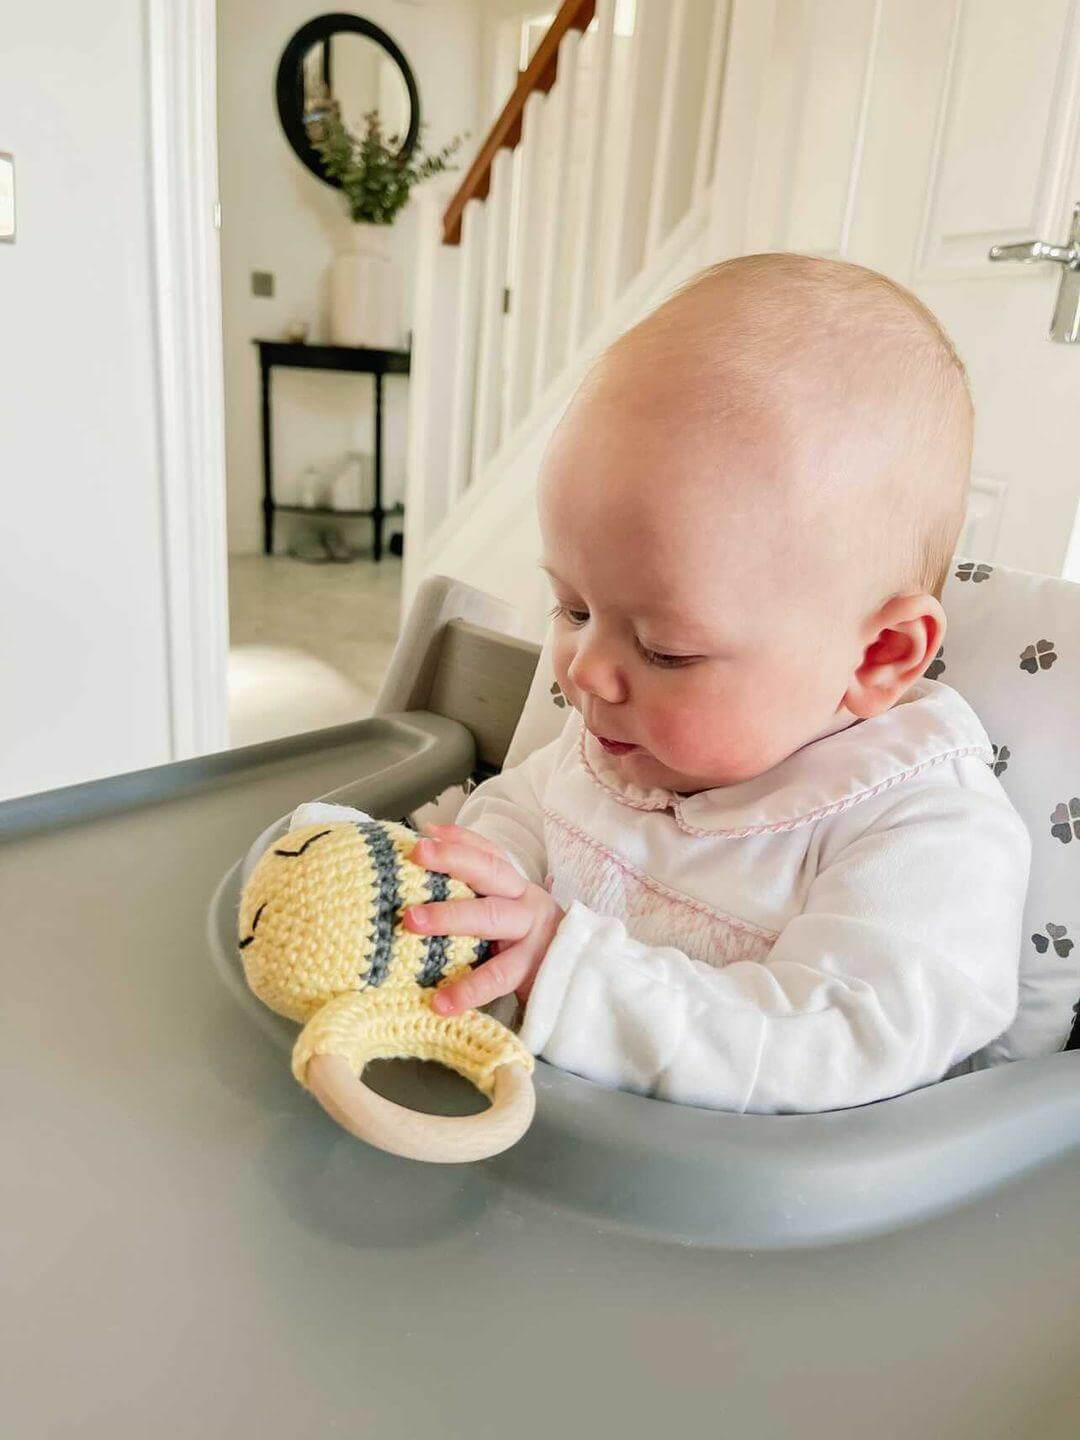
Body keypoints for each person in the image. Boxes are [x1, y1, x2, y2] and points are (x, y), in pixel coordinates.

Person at [400, 253, 1032, 1114]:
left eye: (666, 649)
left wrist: (564, 967)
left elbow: (834, 1045)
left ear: (880, 654)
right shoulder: (625, 739)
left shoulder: (924, 832)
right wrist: (467, 889)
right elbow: (523, 809)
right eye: (573, 606)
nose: (586, 669)